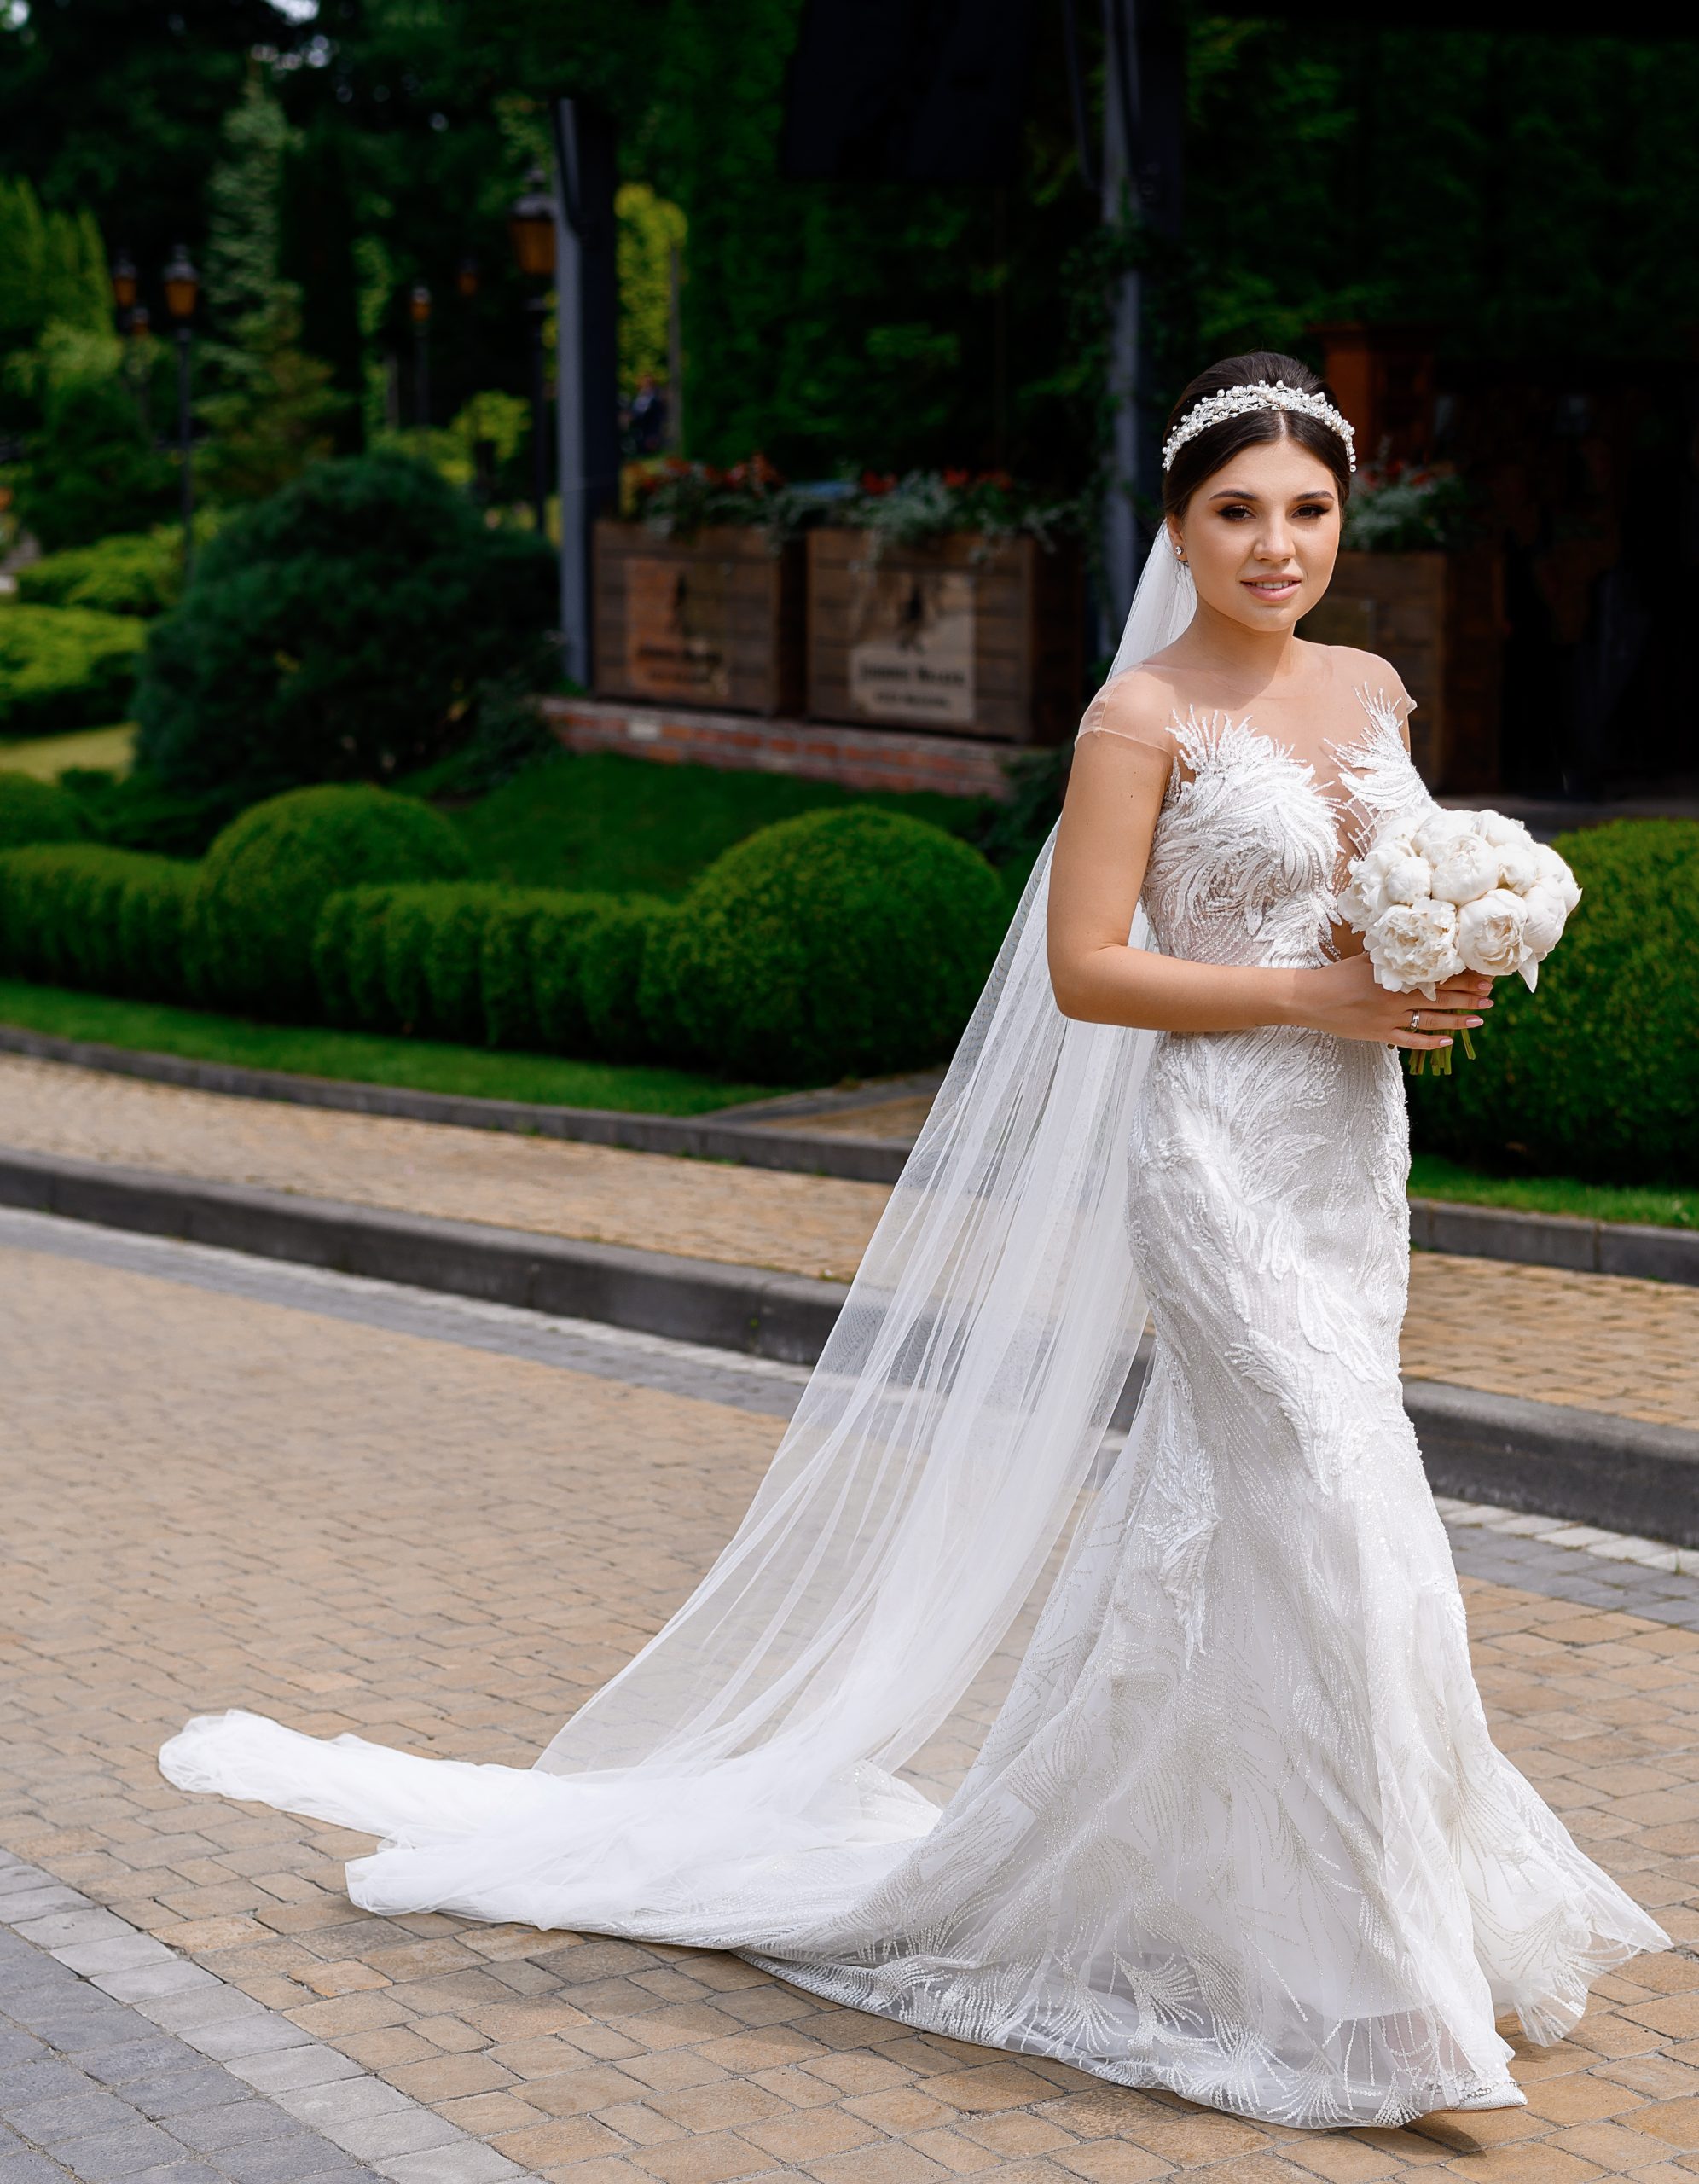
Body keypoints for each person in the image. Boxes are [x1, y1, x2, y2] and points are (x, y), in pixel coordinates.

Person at [160, 351, 1667, 2133]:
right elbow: (1086, 969)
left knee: (1260, 1533)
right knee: (1349, 1513)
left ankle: (1243, 1893)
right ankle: (1386, 1990)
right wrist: (1314, 990)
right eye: (1237, 513)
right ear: (1177, 529)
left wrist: (1448, 944)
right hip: (1215, 1167)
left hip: (1350, 1169)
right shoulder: (1142, 717)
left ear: (1349, 517)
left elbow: (1379, 894)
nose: (1278, 546)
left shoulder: (1372, 687)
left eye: (1310, 511)